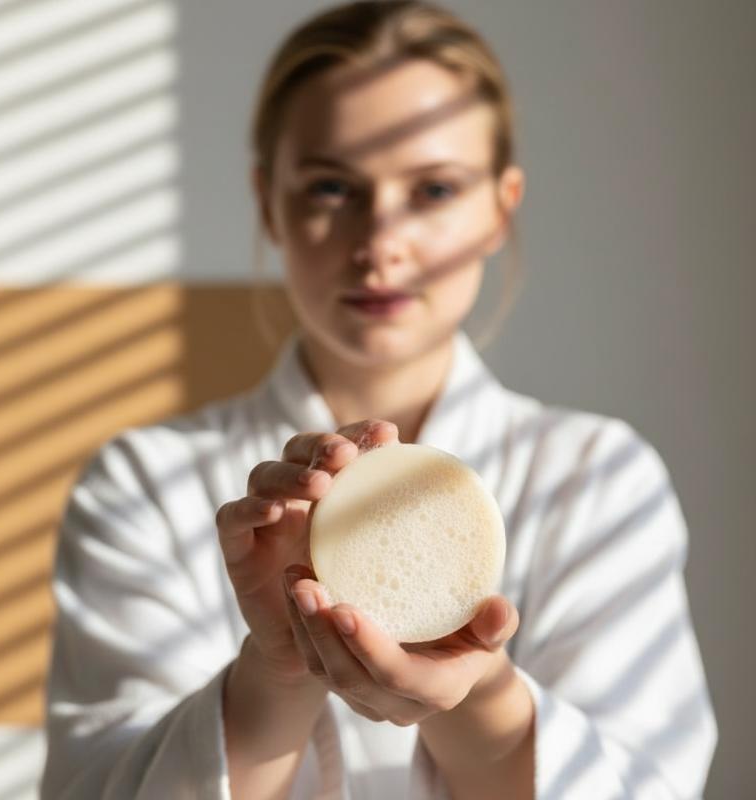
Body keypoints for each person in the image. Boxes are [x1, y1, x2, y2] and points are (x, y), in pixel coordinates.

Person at [40, 1, 717, 798]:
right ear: (269, 203)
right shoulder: (142, 484)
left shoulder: (598, 478)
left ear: (500, 208)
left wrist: (482, 693)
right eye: (332, 187)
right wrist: (276, 670)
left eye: (434, 189)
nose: (379, 242)